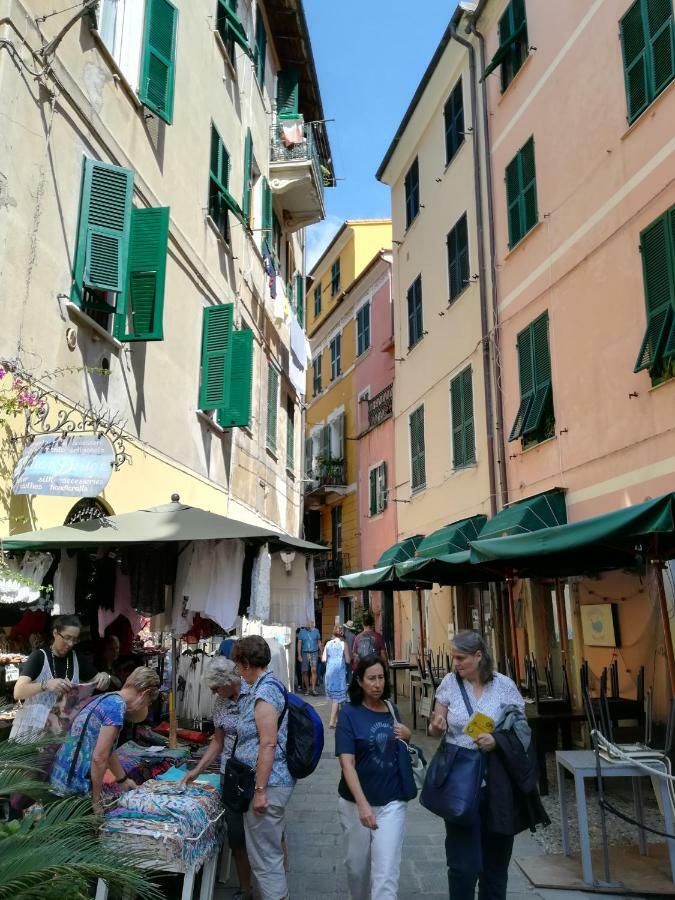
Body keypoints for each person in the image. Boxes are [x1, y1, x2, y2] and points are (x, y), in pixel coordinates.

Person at [428, 631, 548, 899]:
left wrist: (497, 741)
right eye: (453, 658)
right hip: (460, 784)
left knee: (495, 867)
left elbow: (522, 733)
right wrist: (436, 727)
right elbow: (436, 727)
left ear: (478, 656)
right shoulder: (449, 684)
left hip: (497, 785)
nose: (455, 663)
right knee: (462, 867)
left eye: (460, 658)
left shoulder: (504, 686)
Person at [336, 655, 412, 900]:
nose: (377, 684)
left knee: (386, 875)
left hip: (392, 800)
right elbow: (347, 764)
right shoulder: (349, 713)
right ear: (359, 681)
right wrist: (362, 804)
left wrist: (407, 735)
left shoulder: (392, 709)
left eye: (381, 678)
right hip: (354, 804)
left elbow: (400, 747)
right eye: (371, 679)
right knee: (357, 870)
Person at [181, 657, 252, 900]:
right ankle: (245, 888)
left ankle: (274, 887)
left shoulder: (254, 695)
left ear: (230, 682)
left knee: (265, 835)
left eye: (215, 687)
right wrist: (198, 770)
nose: (212, 693)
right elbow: (218, 741)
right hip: (230, 775)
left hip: (253, 772)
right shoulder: (221, 702)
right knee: (236, 834)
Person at [231, 635, 295, 900]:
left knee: (265, 859)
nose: (237, 670)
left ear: (247, 663)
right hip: (271, 782)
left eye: (238, 665)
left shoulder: (265, 692)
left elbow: (267, 744)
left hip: (269, 784)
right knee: (267, 853)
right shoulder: (264, 686)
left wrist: (259, 790)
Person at [50, 666, 160, 813]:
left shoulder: (107, 698)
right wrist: (96, 801)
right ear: (144, 694)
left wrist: (123, 779)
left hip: (61, 780)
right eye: (147, 703)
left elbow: (107, 751)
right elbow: (99, 758)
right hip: (72, 788)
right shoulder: (116, 707)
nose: (144, 707)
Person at [11, 615, 112, 742]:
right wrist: (45, 685)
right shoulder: (39, 657)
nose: (70, 644)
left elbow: (100, 682)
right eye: (67, 638)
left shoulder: (77, 659)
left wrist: (104, 677)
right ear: (55, 633)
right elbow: (18, 692)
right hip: (32, 728)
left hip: (60, 731)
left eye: (74, 640)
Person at [322, 624, 350, 728]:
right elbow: (348, 660)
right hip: (339, 673)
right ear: (342, 633)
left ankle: (338, 720)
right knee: (336, 699)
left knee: (335, 697)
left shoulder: (328, 644)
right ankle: (332, 721)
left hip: (329, 673)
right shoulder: (344, 644)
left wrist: (331, 661)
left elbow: (324, 659)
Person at [296, 621, 322, 695]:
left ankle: (313, 689)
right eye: (306, 623)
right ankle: (307, 689)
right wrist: (299, 655)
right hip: (304, 653)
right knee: (305, 671)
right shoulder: (301, 631)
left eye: (310, 623)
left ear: (312, 623)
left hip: (314, 652)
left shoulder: (316, 631)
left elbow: (319, 642)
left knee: (314, 670)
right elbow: (299, 644)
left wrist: (321, 652)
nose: (308, 625)